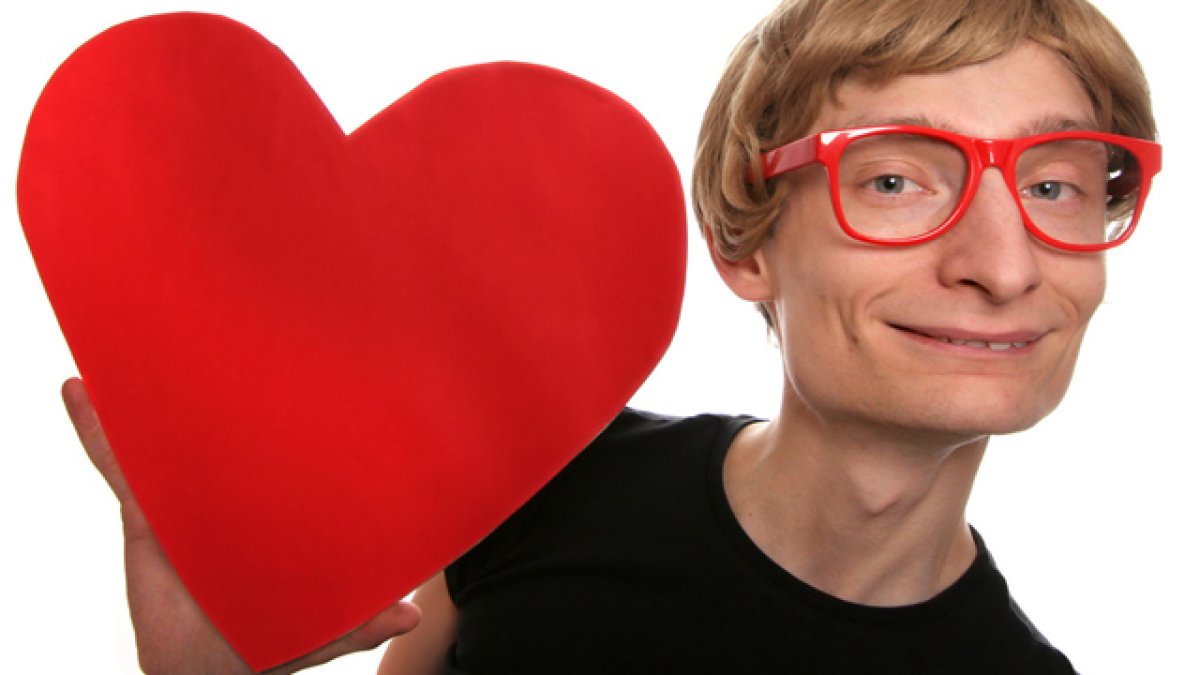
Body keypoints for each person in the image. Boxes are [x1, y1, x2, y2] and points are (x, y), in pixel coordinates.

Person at [64, 0, 1160, 672]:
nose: (1003, 264)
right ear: (745, 241)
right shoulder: (534, 489)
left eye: (1055, 185)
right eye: (892, 179)